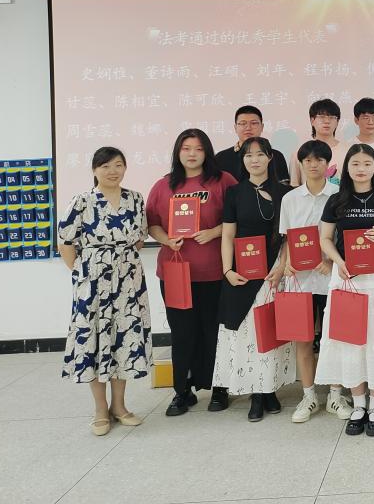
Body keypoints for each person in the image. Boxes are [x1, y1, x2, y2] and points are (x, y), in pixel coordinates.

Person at [315, 144, 374, 437]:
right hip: (347, 277)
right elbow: (325, 238)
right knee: (350, 340)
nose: (361, 169)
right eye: (355, 163)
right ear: (347, 167)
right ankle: (358, 405)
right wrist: (338, 261)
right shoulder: (336, 199)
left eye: (367, 163)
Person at [58, 147, 151, 436]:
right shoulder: (82, 201)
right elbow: (65, 242)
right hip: (93, 284)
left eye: (118, 165)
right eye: (106, 166)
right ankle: (100, 409)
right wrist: (83, 275)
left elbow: (139, 238)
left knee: (124, 340)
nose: (113, 171)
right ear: (94, 170)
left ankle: (119, 406)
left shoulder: (135, 199)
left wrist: (122, 263)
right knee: (95, 341)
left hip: (128, 282)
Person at [145, 129, 237, 416]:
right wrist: (166, 239)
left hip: (215, 272)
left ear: (207, 152)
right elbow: (152, 223)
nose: (192, 154)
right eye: (186, 148)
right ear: (178, 152)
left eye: (198, 148)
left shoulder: (223, 181)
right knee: (183, 332)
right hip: (175, 273)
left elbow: (238, 217)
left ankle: (219, 387)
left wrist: (214, 232)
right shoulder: (163, 185)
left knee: (214, 332)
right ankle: (182, 391)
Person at [213, 137, 295, 421]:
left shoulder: (286, 193)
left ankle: (270, 388)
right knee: (249, 333)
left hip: (275, 272)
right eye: (249, 156)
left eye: (260, 154)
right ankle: (256, 393)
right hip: (243, 273)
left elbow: (290, 236)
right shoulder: (234, 193)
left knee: (272, 330)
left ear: (270, 157)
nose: (255, 160)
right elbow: (227, 235)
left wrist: (282, 265)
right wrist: (227, 270)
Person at [278, 139, 351, 423]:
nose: (313, 164)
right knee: (303, 340)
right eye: (307, 160)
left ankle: (335, 395)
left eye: (319, 160)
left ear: (328, 164)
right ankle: (308, 396)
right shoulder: (290, 199)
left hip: (331, 279)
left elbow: (343, 238)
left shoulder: (339, 195)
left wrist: (331, 261)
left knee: (336, 338)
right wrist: (285, 264)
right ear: (300, 164)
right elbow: (287, 239)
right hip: (300, 282)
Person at [215, 105, 290, 185]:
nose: (248, 128)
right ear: (235, 128)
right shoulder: (221, 157)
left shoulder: (276, 155)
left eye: (254, 123)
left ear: (262, 127)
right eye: (243, 123)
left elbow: (284, 187)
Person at [289, 99, 343, 188]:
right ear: (312, 120)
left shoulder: (349, 151)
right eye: (322, 117)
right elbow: (294, 186)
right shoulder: (299, 153)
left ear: (337, 122)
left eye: (332, 117)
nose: (327, 121)